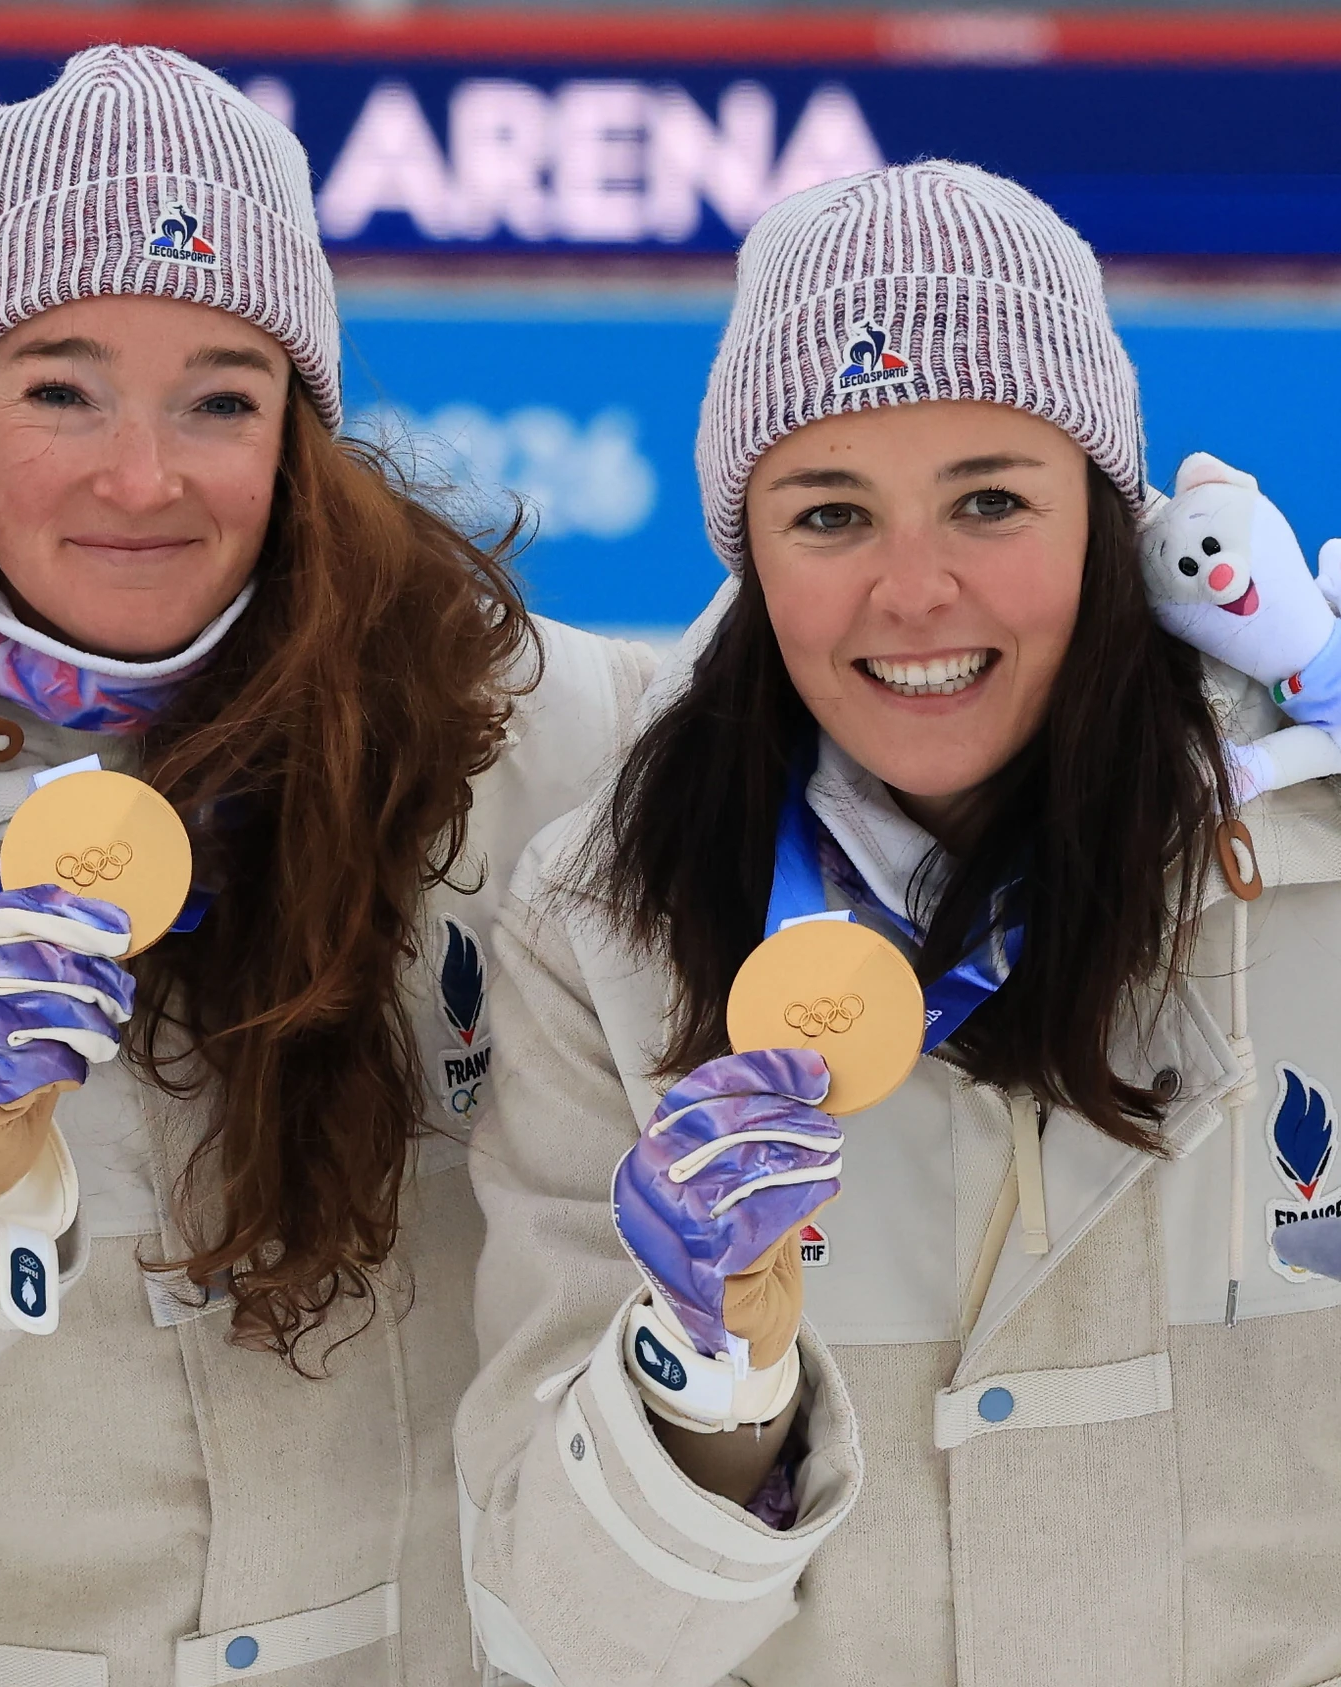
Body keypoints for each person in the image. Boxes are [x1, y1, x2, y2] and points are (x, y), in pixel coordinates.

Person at [0, 46, 657, 1683]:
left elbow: (869, 725)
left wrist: (1144, 720)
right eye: (61, 387)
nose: (139, 476)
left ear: (296, 438)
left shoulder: (531, 740)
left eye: (221, 397)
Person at [458, 159, 1341, 1686]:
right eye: (830, 513)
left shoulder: (1315, 853)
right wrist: (698, 1384)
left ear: (1105, 518)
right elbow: (554, 1644)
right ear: (750, 554)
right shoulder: (602, 935)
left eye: (990, 499)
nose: (915, 589)